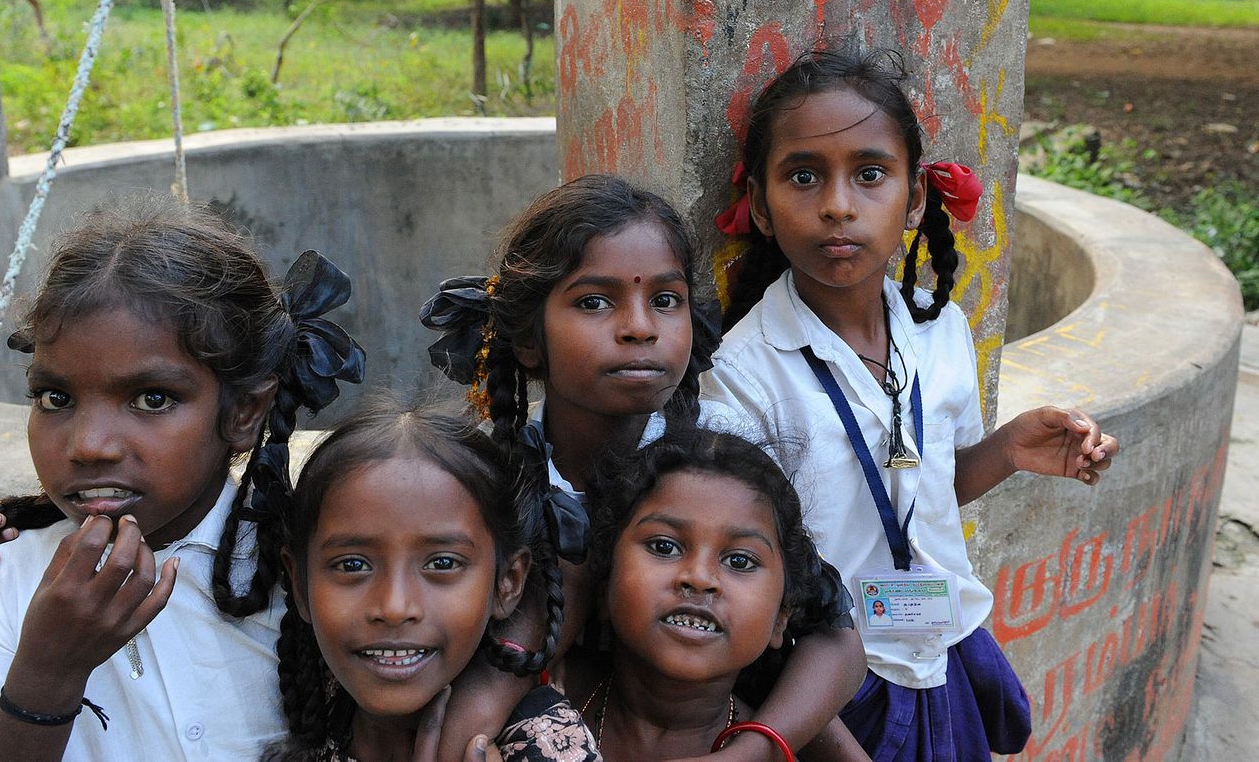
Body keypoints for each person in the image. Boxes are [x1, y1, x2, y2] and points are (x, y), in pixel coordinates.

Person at [706, 48, 1121, 761]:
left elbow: (926, 491)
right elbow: (739, 571)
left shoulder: (940, 330)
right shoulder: (744, 376)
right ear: (763, 209)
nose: (838, 205)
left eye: (870, 174)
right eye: (803, 176)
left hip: (944, 652)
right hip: (829, 690)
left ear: (917, 198)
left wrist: (1009, 449)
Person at [420, 175, 868, 761]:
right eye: (594, 302)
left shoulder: (716, 460)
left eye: (665, 300)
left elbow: (832, 635)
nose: (640, 326)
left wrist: (751, 750)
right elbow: (494, 674)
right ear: (529, 339)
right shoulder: (489, 481)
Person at [0, 194, 365, 762]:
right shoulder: (2, 577)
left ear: (245, 412)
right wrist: (48, 671)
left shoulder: (303, 567)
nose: (89, 445)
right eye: (55, 398)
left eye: (152, 398)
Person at [263, 400, 599, 762]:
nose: (394, 607)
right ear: (300, 585)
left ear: (508, 582)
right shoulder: (312, 701)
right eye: (352, 565)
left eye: (442, 563)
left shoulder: (549, 746)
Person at [569, 427, 846, 762]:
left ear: (782, 616)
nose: (700, 579)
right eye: (664, 546)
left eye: (740, 561)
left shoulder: (769, 751)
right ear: (603, 582)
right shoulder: (536, 702)